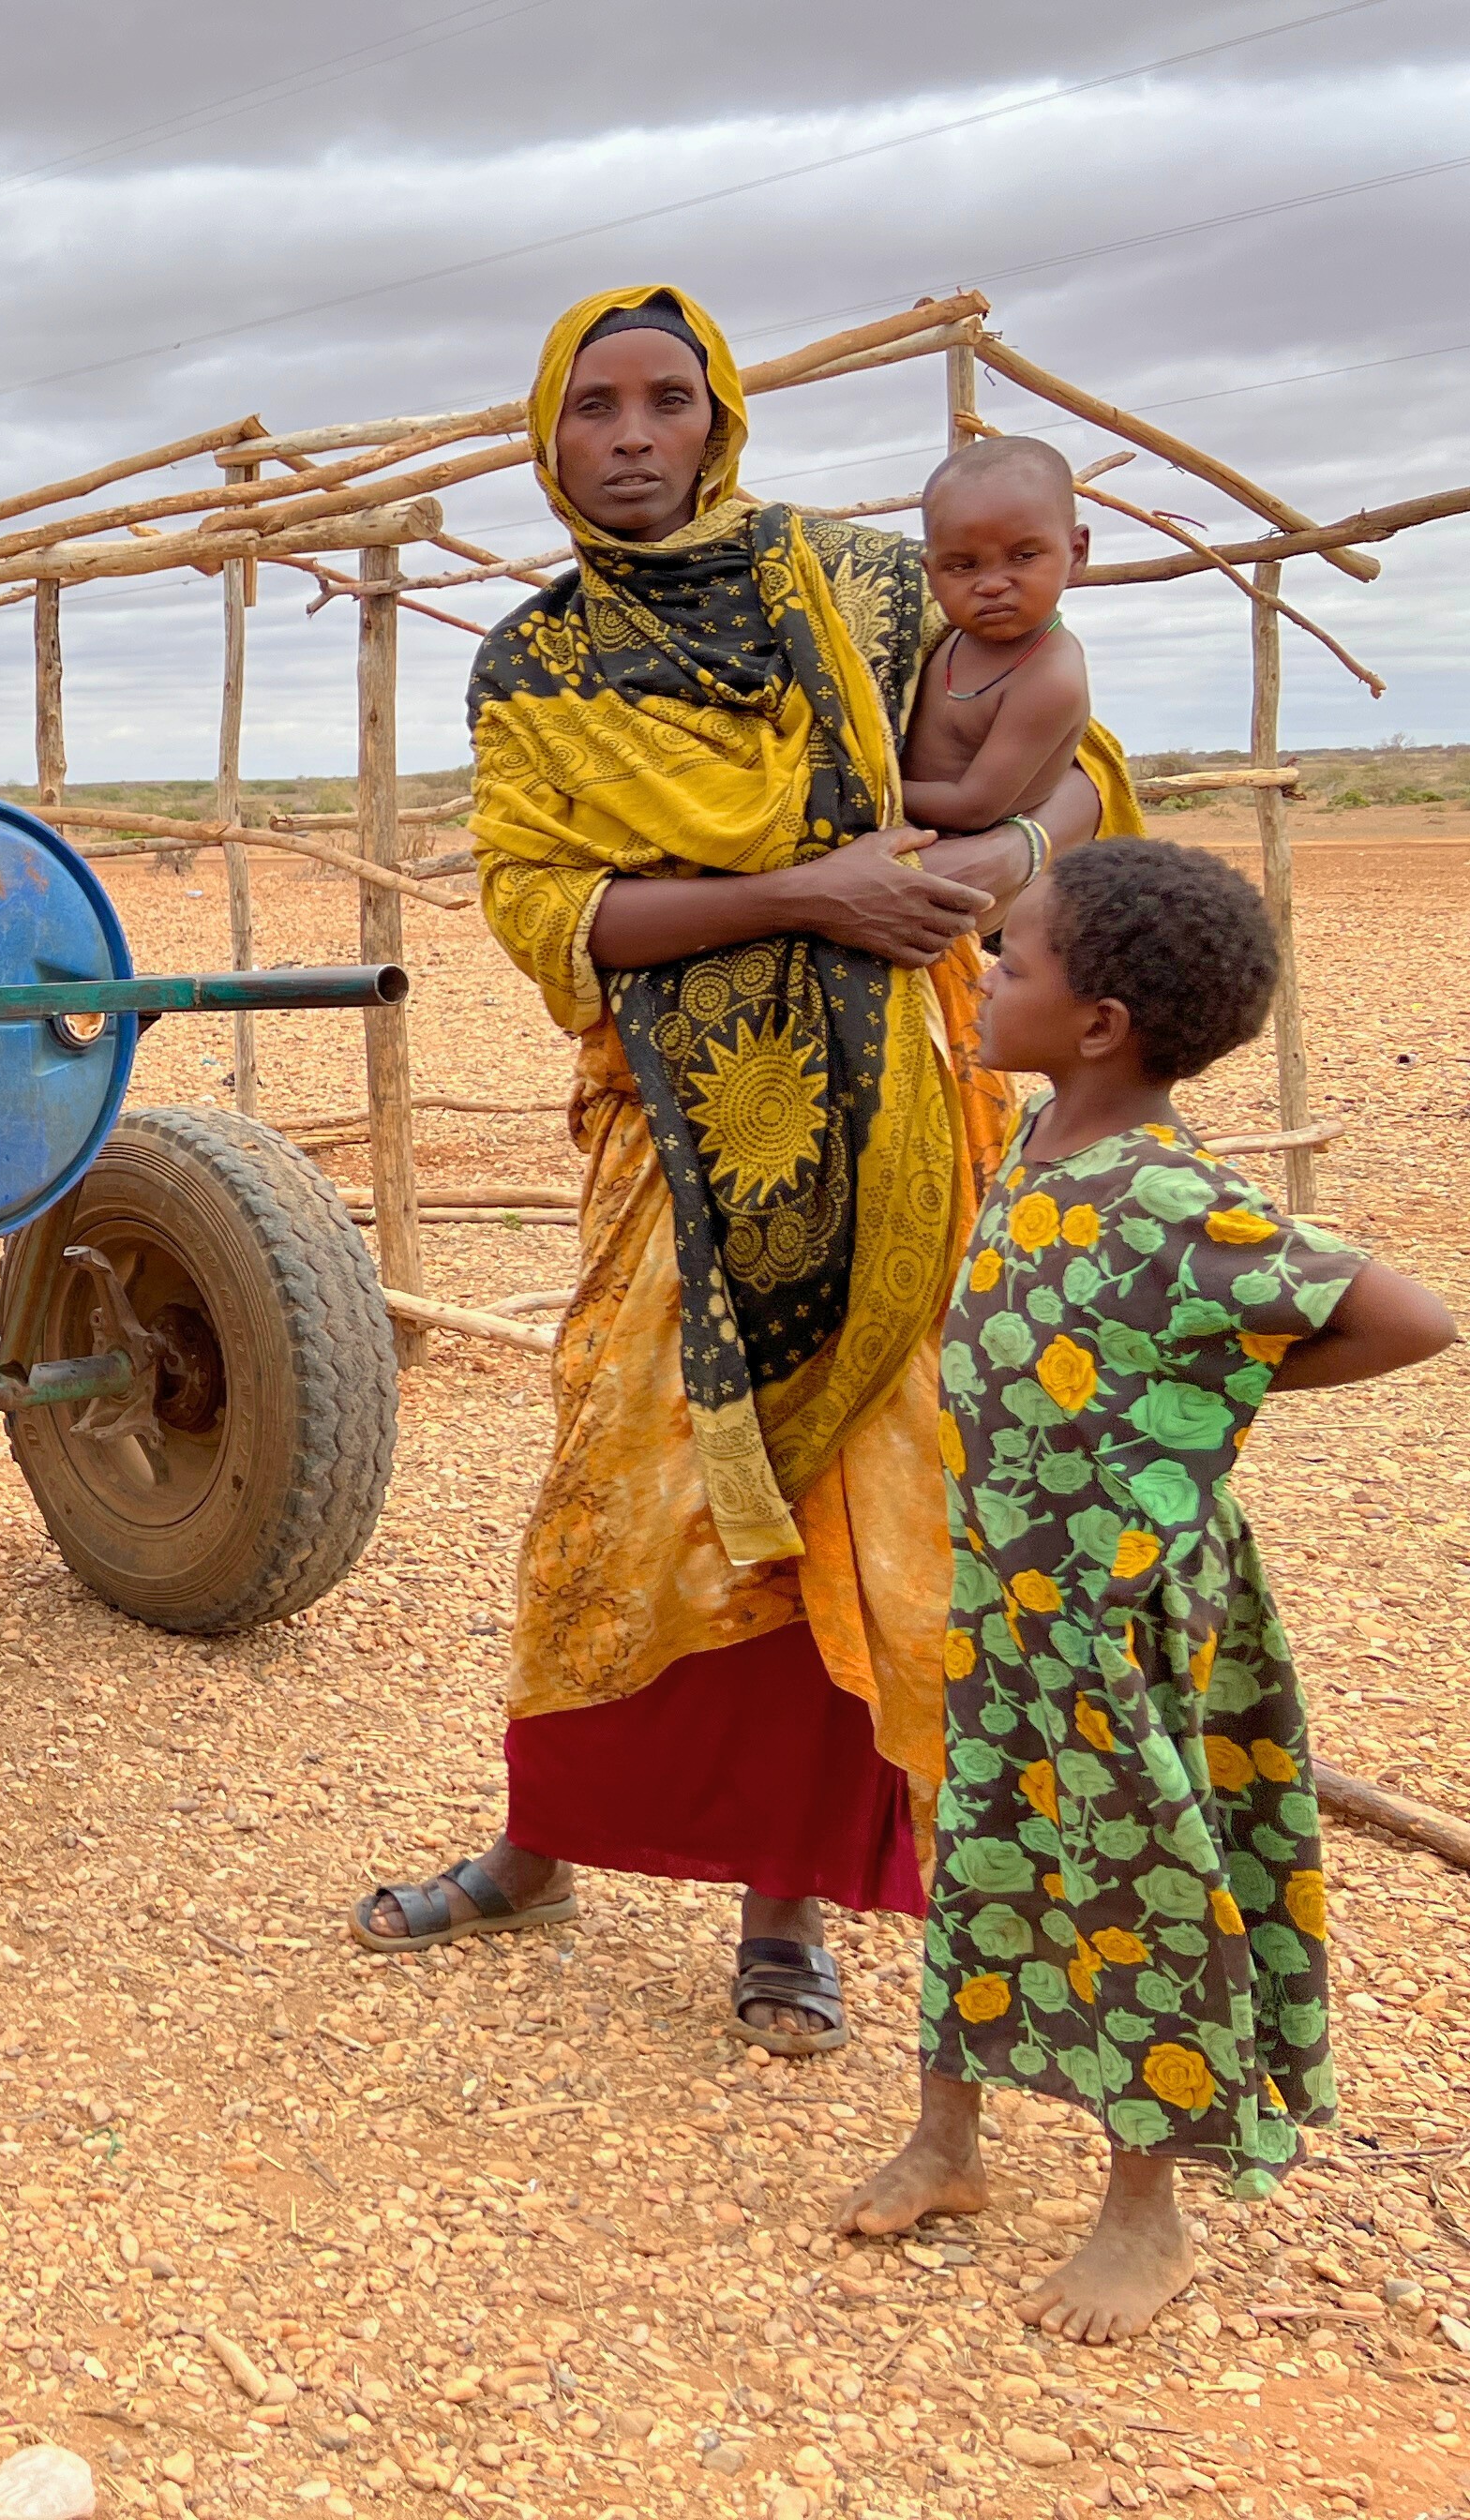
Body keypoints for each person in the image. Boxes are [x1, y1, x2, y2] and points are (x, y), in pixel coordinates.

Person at [352, 285, 1126, 2051]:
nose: (629, 436)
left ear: (720, 423)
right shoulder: (533, 665)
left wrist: (1001, 852)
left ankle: (788, 1912)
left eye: (665, 403)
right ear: (543, 438)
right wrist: (803, 891)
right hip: (666, 1133)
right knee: (620, 1483)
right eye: (590, 408)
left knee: (845, 1489)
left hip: (891, 1128)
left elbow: (1067, 760)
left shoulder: (856, 584)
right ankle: (541, 1844)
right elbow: (549, 910)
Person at [839, 840, 1449, 2339]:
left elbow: (1409, 1317)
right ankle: (948, 2143)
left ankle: (1145, 2214)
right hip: (1009, 1603)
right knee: (981, 1855)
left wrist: (1200, 1402)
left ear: (1102, 1022)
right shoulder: (1038, 1143)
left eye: (1017, 961)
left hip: (1116, 1617)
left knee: (1143, 1887)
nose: (986, 973)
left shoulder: (1178, 1201)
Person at [902, 437, 1093, 840]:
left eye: (1023, 556)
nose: (990, 585)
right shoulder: (935, 636)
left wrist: (856, 790)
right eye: (961, 566)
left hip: (968, 861)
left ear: (1076, 553)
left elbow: (971, 806)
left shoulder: (1051, 678)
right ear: (930, 571)